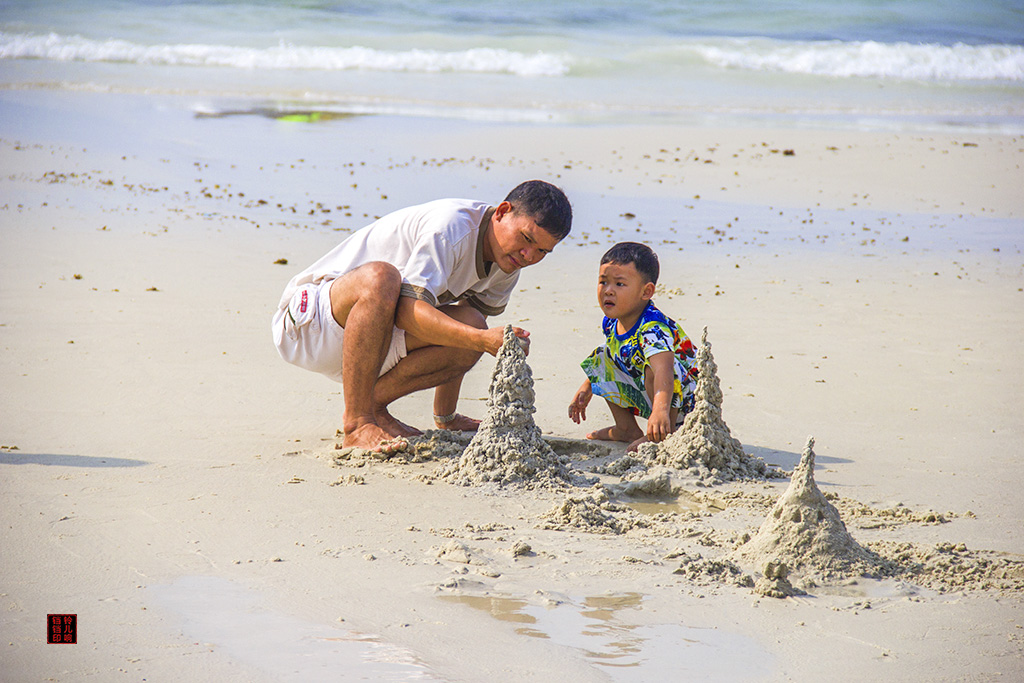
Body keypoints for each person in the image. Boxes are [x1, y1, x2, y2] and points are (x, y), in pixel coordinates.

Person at [273, 180, 572, 452]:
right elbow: (406, 312)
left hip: (368, 349)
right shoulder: (450, 228)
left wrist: (447, 416)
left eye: (542, 252)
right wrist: (482, 340)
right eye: (526, 238)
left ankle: (373, 407)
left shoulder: (508, 265)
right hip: (310, 324)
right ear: (502, 212)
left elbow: (463, 328)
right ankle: (357, 422)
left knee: (471, 323)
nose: (528, 256)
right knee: (382, 278)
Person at [568, 242, 698, 452]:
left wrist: (660, 410)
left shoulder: (652, 328)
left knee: (655, 367)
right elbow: (610, 355)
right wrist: (588, 386)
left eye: (619, 284)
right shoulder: (611, 321)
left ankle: (666, 433)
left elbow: (665, 369)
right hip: (657, 393)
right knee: (602, 355)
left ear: (646, 292)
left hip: (685, 400)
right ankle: (626, 428)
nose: (608, 291)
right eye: (603, 282)